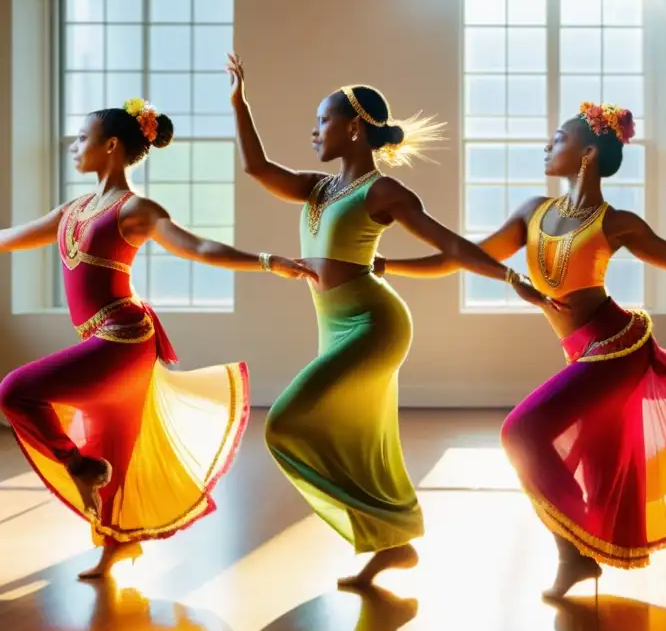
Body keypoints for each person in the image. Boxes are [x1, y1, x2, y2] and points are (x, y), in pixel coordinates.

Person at [378, 101, 666, 597]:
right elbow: (460, 258)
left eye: (556, 138)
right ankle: (580, 556)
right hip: (580, 352)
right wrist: (387, 266)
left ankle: (573, 550)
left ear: (585, 153)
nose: (545, 145)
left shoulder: (616, 223)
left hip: (616, 349)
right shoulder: (532, 212)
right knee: (601, 475)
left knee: (522, 431)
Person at [225, 52, 558, 588]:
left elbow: (450, 245)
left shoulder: (383, 192)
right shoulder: (317, 187)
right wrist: (239, 103)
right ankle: (392, 546)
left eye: (324, 121)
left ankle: (390, 530)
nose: (314, 131)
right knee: (353, 436)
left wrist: (509, 278)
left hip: (374, 325)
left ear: (354, 128)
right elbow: (256, 169)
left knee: (285, 423)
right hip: (334, 325)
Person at [0, 99, 317, 579]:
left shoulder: (136, 210)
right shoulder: (74, 210)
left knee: (15, 391)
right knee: (113, 453)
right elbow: (10, 236)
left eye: (82, 138)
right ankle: (117, 546)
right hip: (104, 343)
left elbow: (200, 247)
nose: (74, 145)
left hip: (122, 344)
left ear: (111, 146)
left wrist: (268, 261)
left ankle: (80, 468)